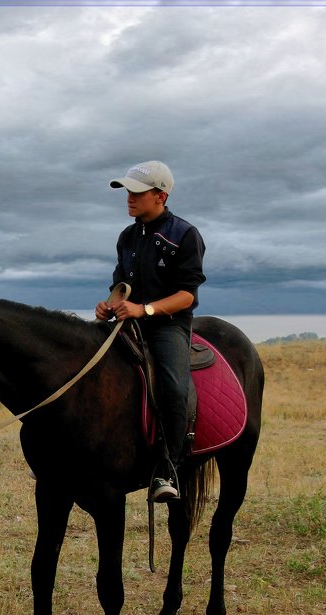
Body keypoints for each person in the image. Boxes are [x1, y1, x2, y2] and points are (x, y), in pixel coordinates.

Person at [95, 160, 206, 502]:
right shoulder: (127, 237)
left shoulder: (184, 235)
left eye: (137, 192)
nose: (129, 197)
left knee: (173, 386)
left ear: (161, 196)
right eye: (128, 191)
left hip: (167, 327)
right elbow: (121, 285)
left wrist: (145, 310)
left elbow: (187, 294)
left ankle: (168, 466)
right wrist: (108, 304)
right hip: (127, 321)